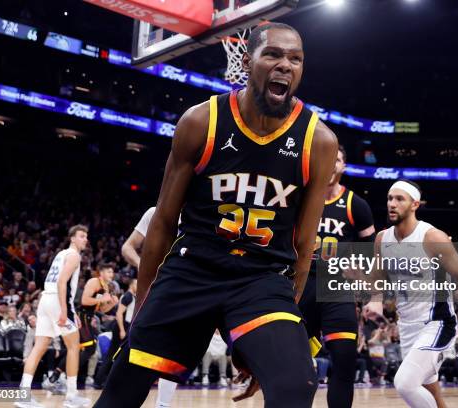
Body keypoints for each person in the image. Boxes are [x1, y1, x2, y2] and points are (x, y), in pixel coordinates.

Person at [94, 22, 338, 408]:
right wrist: (142, 308)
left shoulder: (319, 141)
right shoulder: (201, 121)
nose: (285, 66)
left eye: (296, 59)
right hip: (193, 269)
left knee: (296, 383)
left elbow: (304, 245)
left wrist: (279, 326)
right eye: (273, 54)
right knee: (121, 391)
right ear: (247, 60)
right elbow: (162, 224)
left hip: (261, 278)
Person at [365, 180, 458, 408]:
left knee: (405, 384)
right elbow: (377, 278)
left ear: (415, 204)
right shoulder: (382, 239)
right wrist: (373, 298)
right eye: (389, 198)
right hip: (407, 326)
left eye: (399, 199)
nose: (392, 204)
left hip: (436, 323)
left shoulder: (433, 237)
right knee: (431, 393)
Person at [298, 144, 375, 407]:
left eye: (338, 159)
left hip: (337, 288)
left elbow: (371, 252)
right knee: (291, 366)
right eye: (327, 157)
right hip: (301, 286)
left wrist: (366, 282)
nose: (331, 164)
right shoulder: (299, 196)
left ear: (344, 166)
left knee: (344, 363)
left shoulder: (356, 205)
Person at [15, 225, 91, 408]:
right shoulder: (74, 256)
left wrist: (70, 311)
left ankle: (23, 395)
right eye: (81, 236)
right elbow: (61, 282)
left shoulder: (60, 254)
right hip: (57, 302)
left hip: (45, 301)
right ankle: (72, 396)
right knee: (74, 347)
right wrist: (66, 311)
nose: (85, 239)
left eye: (86, 236)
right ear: (72, 238)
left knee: (39, 347)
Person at [119, 207, 177, 408]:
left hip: (183, 292)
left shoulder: (201, 211)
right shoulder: (155, 212)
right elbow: (128, 247)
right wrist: (146, 266)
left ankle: (163, 404)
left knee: (174, 351)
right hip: (153, 292)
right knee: (138, 349)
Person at [45, 263, 118, 390]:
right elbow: (84, 301)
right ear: (100, 272)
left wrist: (112, 304)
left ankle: (55, 376)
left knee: (77, 349)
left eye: (112, 272)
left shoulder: (106, 288)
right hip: (80, 316)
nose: (111, 274)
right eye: (108, 272)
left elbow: (102, 309)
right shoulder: (94, 282)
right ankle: (67, 376)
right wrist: (102, 300)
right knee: (90, 346)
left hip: (88, 318)